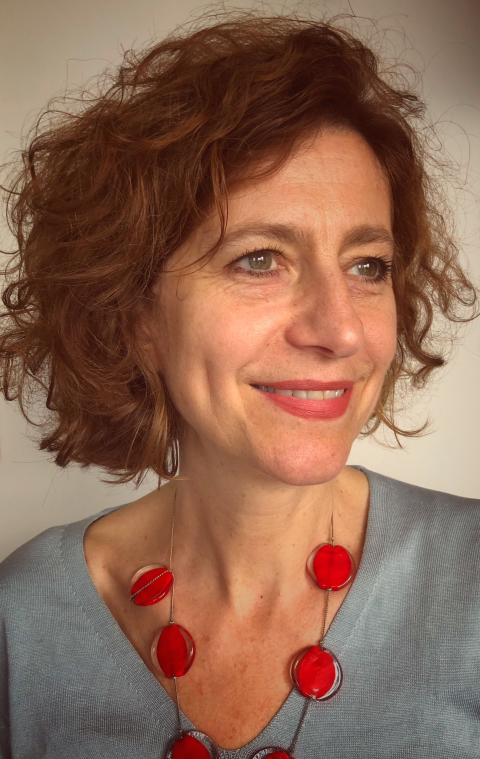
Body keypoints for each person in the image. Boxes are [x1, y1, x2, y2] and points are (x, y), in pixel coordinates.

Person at [0, 10, 479, 759]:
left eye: (368, 266)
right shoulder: (24, 618)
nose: (341, 330)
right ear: (136, 316)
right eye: (259, 259)